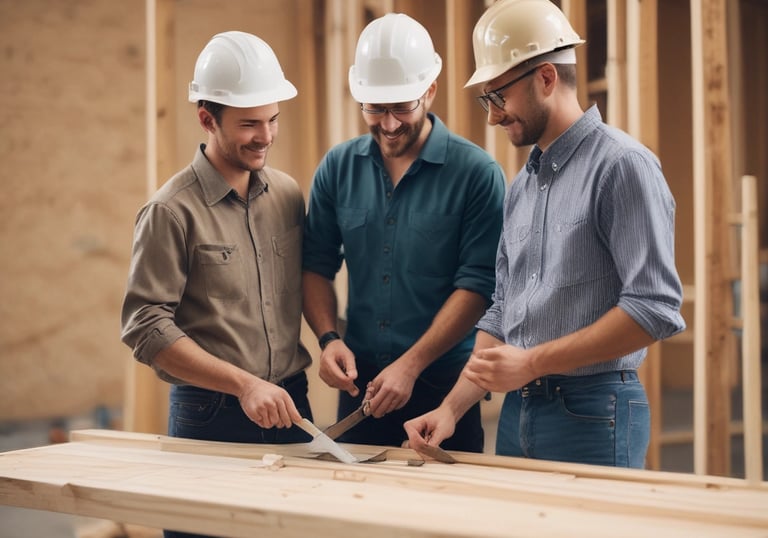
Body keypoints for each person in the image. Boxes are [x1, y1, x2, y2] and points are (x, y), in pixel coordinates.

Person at [405, 0, 686, 468]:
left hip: (595, 410)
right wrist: (451, 410)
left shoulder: (622, 166)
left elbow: (653, 307)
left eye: (498, 97)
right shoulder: (523, 185)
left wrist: (532, 362)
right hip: (520, 409)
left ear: (546, 78)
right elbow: (502, 313)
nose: (493, 117)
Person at [121, 31, 312, 537]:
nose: (266, 136)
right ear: (207, 119)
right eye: (249, 124)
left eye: (272, 120)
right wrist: (244, 384)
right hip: (210, 414)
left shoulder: (288, 195)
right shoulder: (170, 211)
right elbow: (145, 328)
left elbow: (305, 283)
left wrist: (330, 337)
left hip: (292, 406)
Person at [302, 13, 506, 453]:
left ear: (430, 91)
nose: (389, 124)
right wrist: (328, 338)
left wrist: (411, 365)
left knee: (439, 519)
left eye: (402, 107)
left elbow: (478, 285)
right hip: (360, 392)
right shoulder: (337, 168)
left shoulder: (477, 174)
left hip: (443, 392)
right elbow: (316, 264)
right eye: (375, 109)